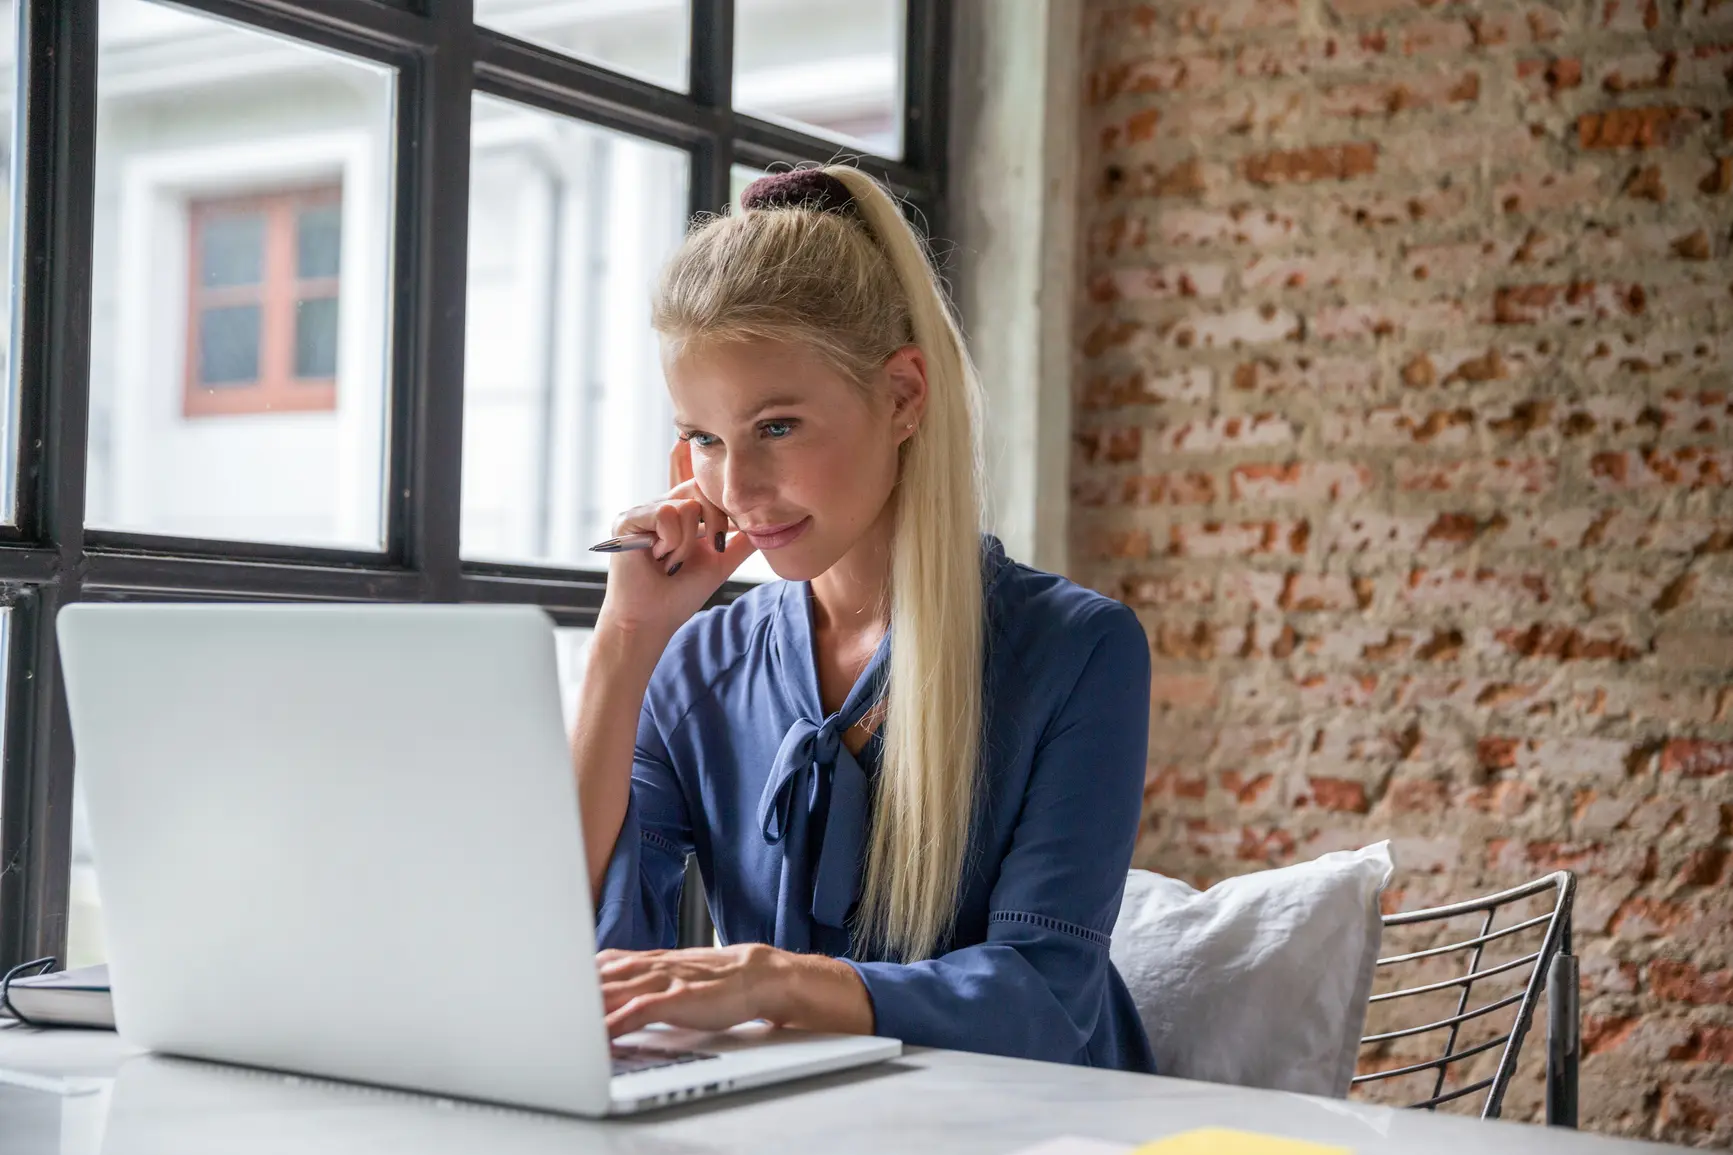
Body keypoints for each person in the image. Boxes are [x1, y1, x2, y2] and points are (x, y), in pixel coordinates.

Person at [574, 164, 1157, 1072]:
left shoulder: (1078, 650)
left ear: (902, 397)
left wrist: (772, 979)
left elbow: (1044, 998)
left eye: (775, 427)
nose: (736, 489)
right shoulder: (698, 664)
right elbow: (587, 950)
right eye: (704, 437)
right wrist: (625, 642)